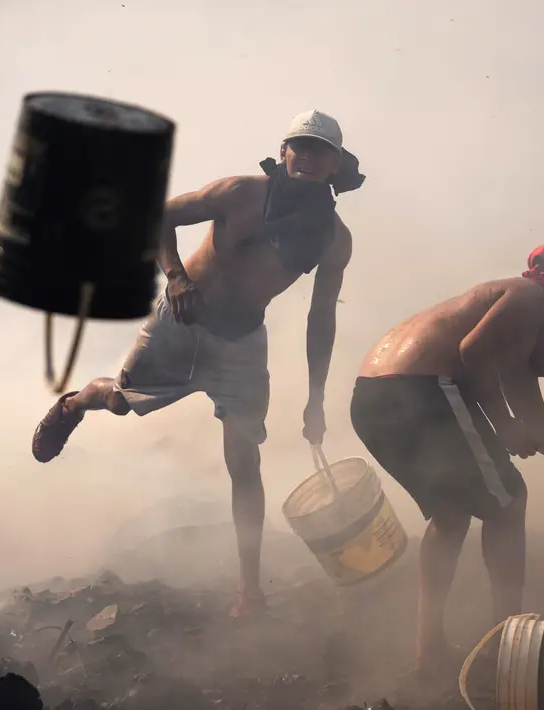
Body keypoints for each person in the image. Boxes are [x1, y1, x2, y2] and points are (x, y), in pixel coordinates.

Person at [30, 110, 365, 617]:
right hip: (182, 322)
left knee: (244, 462)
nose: (309, 157)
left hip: (243, 343)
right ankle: (76, 404)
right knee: (119, 401)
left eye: (322, 150)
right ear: (283, 152)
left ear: (336, 166)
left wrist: (316, 401)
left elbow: (323, 320)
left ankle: (248, 590)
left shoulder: (334, 240)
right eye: (301, 146)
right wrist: (177, 277)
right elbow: (157, 216)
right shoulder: (239, 192)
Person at [349, 243, 544, 677]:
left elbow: (542, 433)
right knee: (508, 502)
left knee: (452, 516)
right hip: (420, 388)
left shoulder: (512, 332)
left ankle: (428, 648)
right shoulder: (530, 298)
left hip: (373, 396)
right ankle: (507, 642)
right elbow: (472, 352)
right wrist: (503, 422)